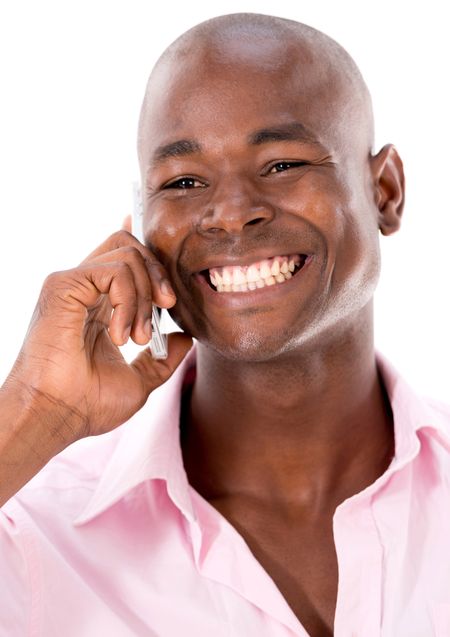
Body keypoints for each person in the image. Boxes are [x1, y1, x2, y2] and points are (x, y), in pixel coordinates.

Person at [1, 12, 449, 637]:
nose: (231, 215)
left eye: (282, 164)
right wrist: (33, 410)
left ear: (386, 192)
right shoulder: (32, 537)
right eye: (183, 181)